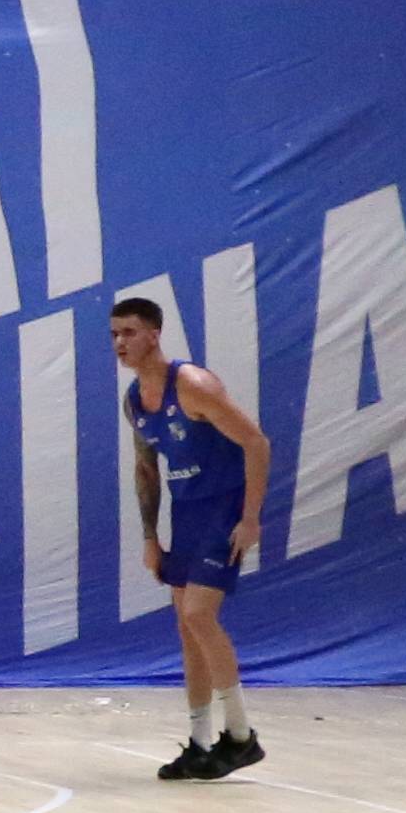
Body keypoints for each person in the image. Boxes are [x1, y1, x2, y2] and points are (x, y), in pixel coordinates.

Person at [116, 294, 272, 780]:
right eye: (114, 335)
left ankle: (242, 737)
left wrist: (250, 518)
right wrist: (150, 537)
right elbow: (146, 468)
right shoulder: (135, 402)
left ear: (154, 334)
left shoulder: (194, 386)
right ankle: (201, 742)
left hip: (223, 508)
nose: (120, 343)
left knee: (199, 615)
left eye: (130, 333)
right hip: (185, 513)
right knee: (187, 629)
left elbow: (256, 442)